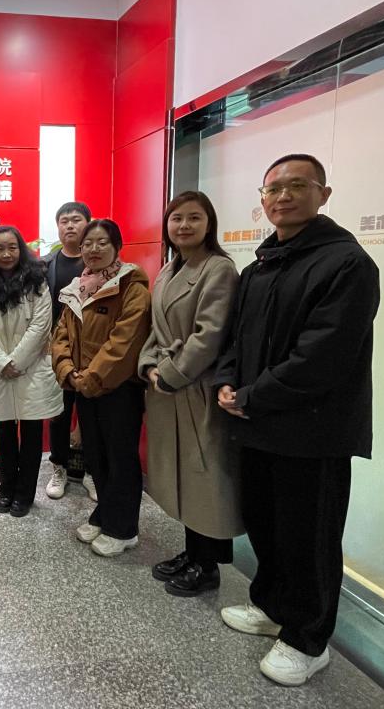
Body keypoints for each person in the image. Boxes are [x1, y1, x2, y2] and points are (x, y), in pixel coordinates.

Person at [214, 153, 379, 687]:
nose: (283, 196)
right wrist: (227, 381)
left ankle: (308, 639)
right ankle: (271, 605)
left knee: (309, 536)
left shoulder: (347, 264)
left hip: (312, 431)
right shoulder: (261, 266)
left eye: (297, 185)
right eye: (273, 189)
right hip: (258, 423)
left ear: (323, 195)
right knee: (266, 523)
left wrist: (252, 396)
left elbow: (323, 356)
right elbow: (235, 339)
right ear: (263, 200)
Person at [138, 191, 241, 596]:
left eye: (194, 218)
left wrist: (171, 374)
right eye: (176, 218)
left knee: (205, 478)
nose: (183, 226)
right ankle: (192, 552)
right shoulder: (168, 269)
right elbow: (155, 329)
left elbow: (209, 335)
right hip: (167, 388)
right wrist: (149, 365)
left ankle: (208, 565)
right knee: (182, 474)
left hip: (196, 389)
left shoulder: (219, 269)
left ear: (209, 223)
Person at [52, 218, 151, 557]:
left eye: (102, 242)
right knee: (96, 456)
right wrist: (68, 372)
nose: (93, 249)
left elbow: (124, 342)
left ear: (117, 247)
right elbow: (61, 335)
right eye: (87, 244)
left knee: (121, 458)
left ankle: (123, 529)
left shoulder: (131, 287)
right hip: (84, 386)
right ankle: (105, 513)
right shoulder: (77, 287)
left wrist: (91, 378)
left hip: (118, 389)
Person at [0, 226, 64, 517]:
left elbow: (40, 326)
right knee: (5, 434)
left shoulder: (38, 284)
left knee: (32, 435)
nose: (6, 254)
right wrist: (2, 363)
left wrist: (16, 362)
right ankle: (6, 490)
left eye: (12, 247)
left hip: (32, 370)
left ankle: (25, 495)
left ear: (21, 249)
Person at [40, 201, 96, 502]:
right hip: (57, 351)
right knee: (58, 413)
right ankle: (59, 467)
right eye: (64, 221)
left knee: (91, 413)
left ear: (88, 223)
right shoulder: (46, 264)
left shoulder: (100, 263)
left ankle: (91, 471)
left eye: (76, 220)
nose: (70, 225)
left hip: (93, 352)